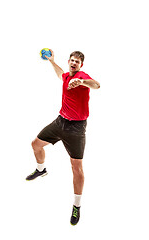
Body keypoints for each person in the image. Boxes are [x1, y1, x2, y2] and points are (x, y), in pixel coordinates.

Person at [26, 49, 100, 226]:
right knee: (35, 144)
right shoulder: (67, 76)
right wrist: (51, 61)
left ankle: (77, 205)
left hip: (76, 128)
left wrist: (82, 81)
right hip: (60, 122)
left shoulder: (81, 77)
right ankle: (41, 169)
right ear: (69, 61)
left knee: (76, 167)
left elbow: (96, 85)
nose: (74, 63)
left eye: (77, 62)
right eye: (72, 60)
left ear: (81, 65)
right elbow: (61, 74)